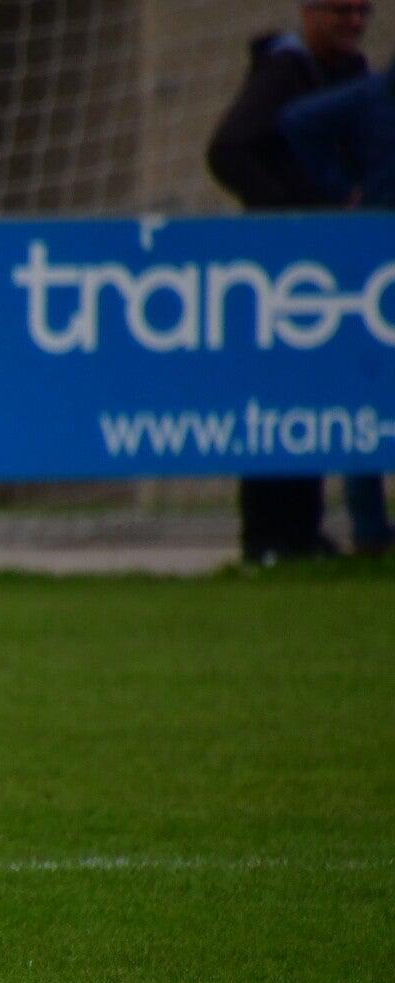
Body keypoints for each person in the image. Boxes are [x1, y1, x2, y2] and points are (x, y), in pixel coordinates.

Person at [207, 0, 372, 564]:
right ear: (309, 13)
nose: (354, 22)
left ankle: (303, 531)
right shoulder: (284, 72)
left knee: (311, 397)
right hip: (278, 266)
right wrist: (288, 212)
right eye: (342, 11)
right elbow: (227, 150)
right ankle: (267, 536)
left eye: (363, 12)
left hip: (321, 264)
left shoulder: (349, 71)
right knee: (275, 394)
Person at [280, 50, 395, 555]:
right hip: (373, 263)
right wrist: (344, 190)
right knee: (365, 395)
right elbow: (296, 121)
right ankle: (369, 528)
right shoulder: (375, 98)